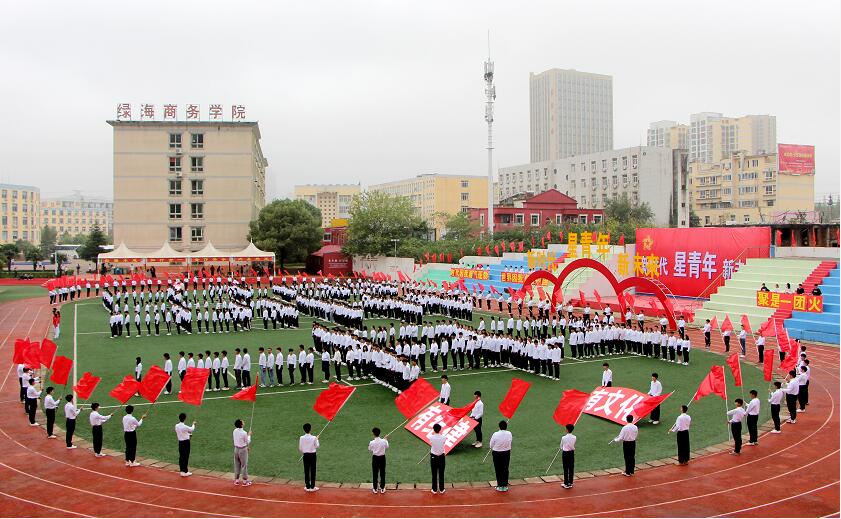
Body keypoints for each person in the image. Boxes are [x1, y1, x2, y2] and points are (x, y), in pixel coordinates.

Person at [489, 420, 512, 492]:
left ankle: (499, 485)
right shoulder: (509, 433)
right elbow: (510, 441)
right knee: (505, 468)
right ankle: (505, 485)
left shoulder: (495, 434)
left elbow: (491, 445)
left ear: (499, 426)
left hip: (497, 453)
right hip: (506, 452)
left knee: (498, 469)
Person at [299, 422, 320, 491]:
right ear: (310, 429)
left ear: (304, 430)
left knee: (306, 470)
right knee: (313, 470)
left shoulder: (301, 438)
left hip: (305, 455)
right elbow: (317, 446)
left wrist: (305, 451)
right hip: (313, 455)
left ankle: (307, 486)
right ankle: (312, 486)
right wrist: (317, 439)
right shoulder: (314, 438)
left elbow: (300, 449)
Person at [368, 427, 389, 494]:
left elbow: (370, 449)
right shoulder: (384, 441)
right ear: (379, 433)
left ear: (373, 434)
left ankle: (375, 488)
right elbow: (387, 447)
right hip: (382, 458)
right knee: (382, 473)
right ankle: (382, 488)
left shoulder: (371, 442)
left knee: (375, 473)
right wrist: (386, 439)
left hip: (375, 458)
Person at [175, 412, 196, 477]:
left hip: (180, 443)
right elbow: (191, 429)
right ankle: (185, 471)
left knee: (181, 457)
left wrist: (188, 435)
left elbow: (183, 433)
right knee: (186, 456)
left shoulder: (176, 426)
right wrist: (194, 424)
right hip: (186, 443)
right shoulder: (185, 427)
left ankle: (182, 471)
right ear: (185, 418)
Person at [233, 418, 252, 486]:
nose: (243, 421)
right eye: (242, 421)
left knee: (237, 465)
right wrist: (249, 435)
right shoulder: (244, 433)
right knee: (244, 465)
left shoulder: (234, 431)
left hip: (236, 449)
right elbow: (247, 441)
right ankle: (245, 481)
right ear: (241, 424)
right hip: (243, 450)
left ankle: (236, 480)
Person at [429, 423, 447, 494]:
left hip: (433, 457)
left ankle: (434, 489)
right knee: (441, 473)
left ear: (434, 429)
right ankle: (442, 489)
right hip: (442, 457)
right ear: (440, 429)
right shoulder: (444, 437)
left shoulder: (431, 437)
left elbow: (432, 442)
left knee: (434, 473)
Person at [561, 423, 576, 489]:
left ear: (567, 429)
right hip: (571, 453)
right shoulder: (574, 437)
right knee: (571, 467)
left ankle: (566, 483)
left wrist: (563, 447)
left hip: (565, 453)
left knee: (565, 468)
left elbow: (561, 446)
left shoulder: (563, 437)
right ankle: (570, 482)